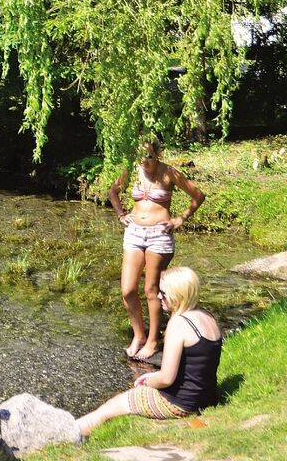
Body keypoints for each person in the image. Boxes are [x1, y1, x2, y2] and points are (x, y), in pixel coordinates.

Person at [76, 266, 222, 437]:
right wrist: (151, 375)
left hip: (180, 404)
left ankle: (67, 435)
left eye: (164, 293)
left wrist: (146, 383)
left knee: (111, 407)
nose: (159, 296)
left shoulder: (179, 324)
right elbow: (193, 366)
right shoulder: (207, 317)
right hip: (206, 398)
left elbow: (167, 378)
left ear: (178, 294)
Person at [107, 138, 206, 360]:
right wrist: (121, 214)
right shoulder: (132, 170)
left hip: (158, 236)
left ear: (158, 154)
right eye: (141, 156)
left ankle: (153, 341)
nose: (145, 161)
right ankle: (139, 335)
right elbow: (112, 192)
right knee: (127, 289)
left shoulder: (170, 173)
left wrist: (180, 219)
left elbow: (198, 196)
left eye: (149, 156)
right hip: (134, 233)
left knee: (151, 290)